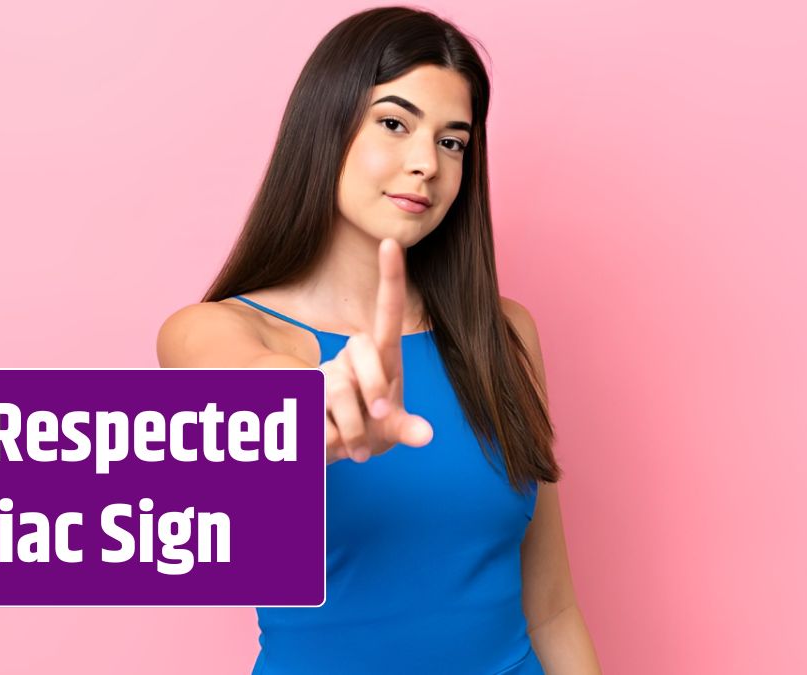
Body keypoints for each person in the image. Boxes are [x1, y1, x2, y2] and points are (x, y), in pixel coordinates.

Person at [158, 7, 603, 674]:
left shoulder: (505, 335)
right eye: (394, 123)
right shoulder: (213, 331)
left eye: (453, 141)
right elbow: (254, 388)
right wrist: (317, 411)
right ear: (327, 128)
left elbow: (553, 608)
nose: (426, 162)